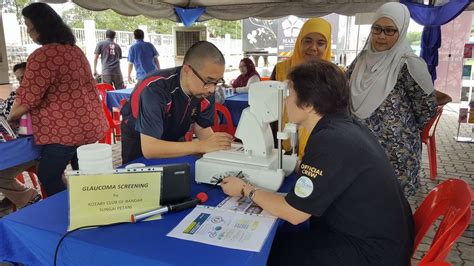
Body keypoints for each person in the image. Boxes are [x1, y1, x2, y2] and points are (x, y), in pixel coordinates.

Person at [221, 60, 414, 265]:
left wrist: (245, 189)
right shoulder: (345, 127)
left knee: (270, 251)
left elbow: (294, 214)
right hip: (381, 239)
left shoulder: (330, 140)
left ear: (308, 104)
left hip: (372, 253)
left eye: (290, 93)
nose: (285, 101)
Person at [8, 2, 108, 196]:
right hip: (89, 125)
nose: (29, 33)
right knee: (86, 176)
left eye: (30, 27)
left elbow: (28, 96)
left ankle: (68, 212)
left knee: (48, 175)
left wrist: (11, 115)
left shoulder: (43, 55)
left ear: (41, 27)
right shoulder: (74, 50)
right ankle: (91, 207)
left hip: (64, 130)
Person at [347, 2, 437, 197]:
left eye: (389, 31)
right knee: (360, 202)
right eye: (377, 29)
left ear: (401, 31)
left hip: (395, 153)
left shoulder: (409, 64)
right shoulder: (361, 60)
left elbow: (426, 108)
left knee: (391, 206)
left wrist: (398, 127)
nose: (381, 36)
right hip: (360, 148)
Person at [120, 41, 233, 164]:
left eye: (217, 82)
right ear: (187, 70)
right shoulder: (156, 89)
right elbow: (150, 148)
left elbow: (202, 129)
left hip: (173, 137)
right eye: (208, 81)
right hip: (139, 140)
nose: (212, 89)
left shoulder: (204, 91)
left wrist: (218, 149)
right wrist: (201, 146)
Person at [270, 18, 332, 159]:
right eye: (308, 41)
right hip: (283, 147)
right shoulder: (281, 70)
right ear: (299, 42)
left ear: (327, 46)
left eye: (320, 43)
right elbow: (271, 109)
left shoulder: (333, 75)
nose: (313, 48)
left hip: (320, 148)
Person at [0, 62, 41, 210]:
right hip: (22, 149)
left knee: (51, 175)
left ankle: (64, 201)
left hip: (46, 147)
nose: (22, 82)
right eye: (19, 79)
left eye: (25, 77)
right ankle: (28, 197)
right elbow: (6, 119)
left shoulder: (46, 94)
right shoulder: (14, 95)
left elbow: (11, 118)